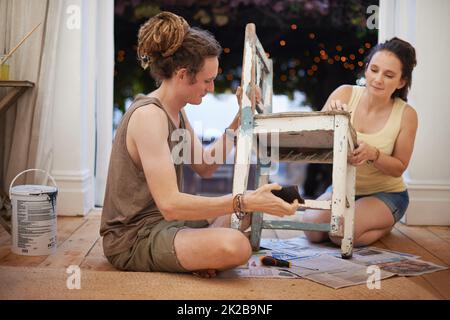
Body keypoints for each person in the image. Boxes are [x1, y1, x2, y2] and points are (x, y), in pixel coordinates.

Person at [100, 12, 298, 277]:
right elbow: (170, 204)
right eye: (207, 80)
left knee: (253, 212)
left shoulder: (177, 112)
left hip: (166, 222)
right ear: (183, 74)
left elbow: (205, 166)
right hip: (134, 237)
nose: (212, 88)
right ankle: (199, 249)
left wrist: (239, 119)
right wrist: (242, 201)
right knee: (237, 245)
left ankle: (197, 250)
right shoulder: (149, 116)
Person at [303, 37, 418, 247]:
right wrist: (331, 121)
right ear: (366, 69)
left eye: (389, 75)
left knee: (340, 235)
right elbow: (315, 145)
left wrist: (374, 154)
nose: (378, 79)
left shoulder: (407, 114)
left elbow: (398, 168)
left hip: (386, 195)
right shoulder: (344, 93)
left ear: (401, 81)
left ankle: (384, 225)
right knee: (312, 229)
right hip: (341, 188)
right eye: (374, 70)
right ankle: (359, 221)